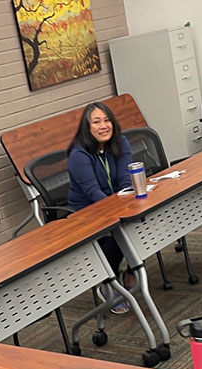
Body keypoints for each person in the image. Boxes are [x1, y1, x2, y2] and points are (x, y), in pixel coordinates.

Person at [67, 102, 134, 313]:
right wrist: (120, 212)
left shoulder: (120, 142)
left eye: (107, 120)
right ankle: (108, 281)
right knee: (118, 229)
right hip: (88, 212)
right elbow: (93, 193)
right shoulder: (79, 155)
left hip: (114, 204)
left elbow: (125, 181)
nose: (103, 126)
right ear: (87, 128)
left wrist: (127, 205)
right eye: (96, 122)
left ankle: (131, 272)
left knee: (142, 221)